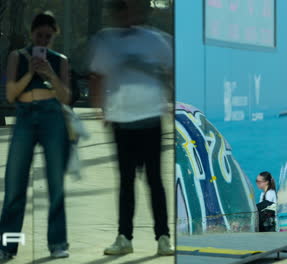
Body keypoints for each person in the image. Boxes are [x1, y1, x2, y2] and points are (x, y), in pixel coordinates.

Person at [88, 0, 174, 255]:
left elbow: (169, 69)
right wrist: (100, 108)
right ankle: (124, 237)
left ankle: (163, 237)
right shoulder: (105, 40)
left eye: (127, 8)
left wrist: (168, 99)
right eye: (119, 9)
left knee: (154, 181)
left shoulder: (155, 39)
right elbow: (98, 76)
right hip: (122, 121)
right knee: (126, 182)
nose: (124, 14)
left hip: (150, 119)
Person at [0, 12, 71, 259]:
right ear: (32, 34)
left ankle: (58, 243)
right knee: (15, 184)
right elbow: (10, 95)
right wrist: (30, 73)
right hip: (25, 116)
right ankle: (7, 247)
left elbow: (66, 97)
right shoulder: (17, 57)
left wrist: (50, 74)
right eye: (39, 35)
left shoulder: (59, 60)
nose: (43, 41)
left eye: (48, 37)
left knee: (55, 183)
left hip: (52, 117)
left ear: (54, 37)